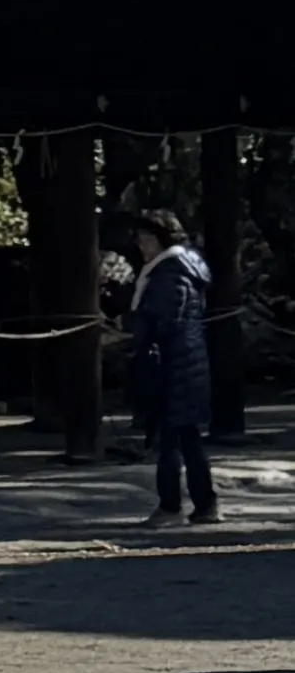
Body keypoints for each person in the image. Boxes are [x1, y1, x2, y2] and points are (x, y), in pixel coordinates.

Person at [126, 202, 218, 526]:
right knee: (187, 437)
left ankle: (170, 506)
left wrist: (138, 334)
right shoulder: (182, 269)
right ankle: (204, 504)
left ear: (161, 239)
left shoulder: (169, 273)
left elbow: (167, 319)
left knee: (169, 439)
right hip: (186, 360)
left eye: (145, 238)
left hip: (173, 363)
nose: (141, 244)